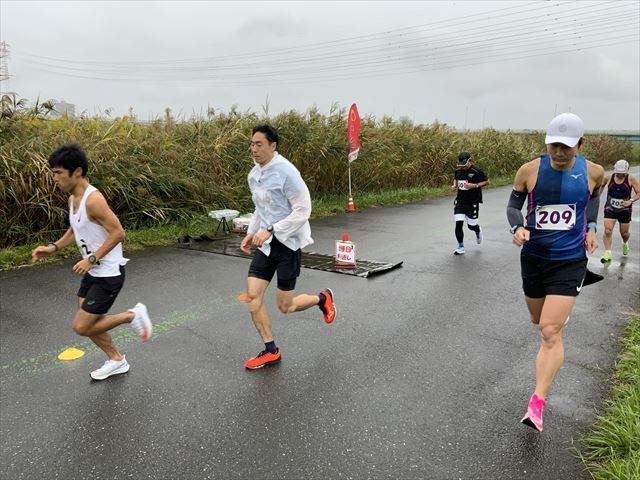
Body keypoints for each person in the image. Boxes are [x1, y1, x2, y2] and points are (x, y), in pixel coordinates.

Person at [506, 113, 604, 432]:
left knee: (549, 331)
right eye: (554, 146)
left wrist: (591, 226)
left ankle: (537, 404)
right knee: (537, 319)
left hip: (570, 260)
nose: (559, 153)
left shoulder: (593, 172)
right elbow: (513, 206)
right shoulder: (529, 171)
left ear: (580, 144)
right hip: (534, 258)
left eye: (566, 147)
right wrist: (517, 228)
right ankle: (556, 313)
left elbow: (593, 199)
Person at [31, 144, 152, 380]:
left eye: (58, 173)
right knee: (91, 321)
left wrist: (91, 258)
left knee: (82, 326)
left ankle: (132, 315)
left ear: (77, 171)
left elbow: (118, 233)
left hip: (108, 272)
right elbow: (75, 228)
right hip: (95, 271)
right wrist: (53, 247)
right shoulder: (73, 199)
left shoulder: (93, 200)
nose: (54, 178)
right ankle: (117, 360)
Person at [239, 125, 336, 370]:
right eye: (252, 144)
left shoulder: (286, 172)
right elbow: (260, 209)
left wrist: (271, 229)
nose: (254, 149)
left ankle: (322, 299)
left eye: (259, 144)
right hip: (265, 245)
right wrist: (251, 233)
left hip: (287, 244)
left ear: (273, 146)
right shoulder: (254, 175)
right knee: (252, 297)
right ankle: (271, 350)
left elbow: (303, 210)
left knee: (286, 306)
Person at [600, 159, 639, 263]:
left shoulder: (631, 179)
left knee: (624, 234)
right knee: (607, 230)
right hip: (610, 208)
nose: (620, 175)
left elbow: (639, 192)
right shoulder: (609, 178)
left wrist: (630, 201)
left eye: (622, 173)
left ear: (626, 171)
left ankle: (625, 243)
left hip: (625, 210)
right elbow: (601, 184)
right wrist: (597, 196)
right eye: (618, 173)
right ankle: (607, 253)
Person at [451, 152, 489, 255]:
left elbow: (486, 182)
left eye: (464, 165)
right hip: (460, 201)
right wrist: (454, 185)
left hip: (472, 202)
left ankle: (477, 230)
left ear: (469, 161)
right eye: (460, 165)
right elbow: (456, 179)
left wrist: (474, 185)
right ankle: (461, 247)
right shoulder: (458, 171)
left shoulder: (477, 171)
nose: (462, 167)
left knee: (471, 226)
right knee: (458, 223)